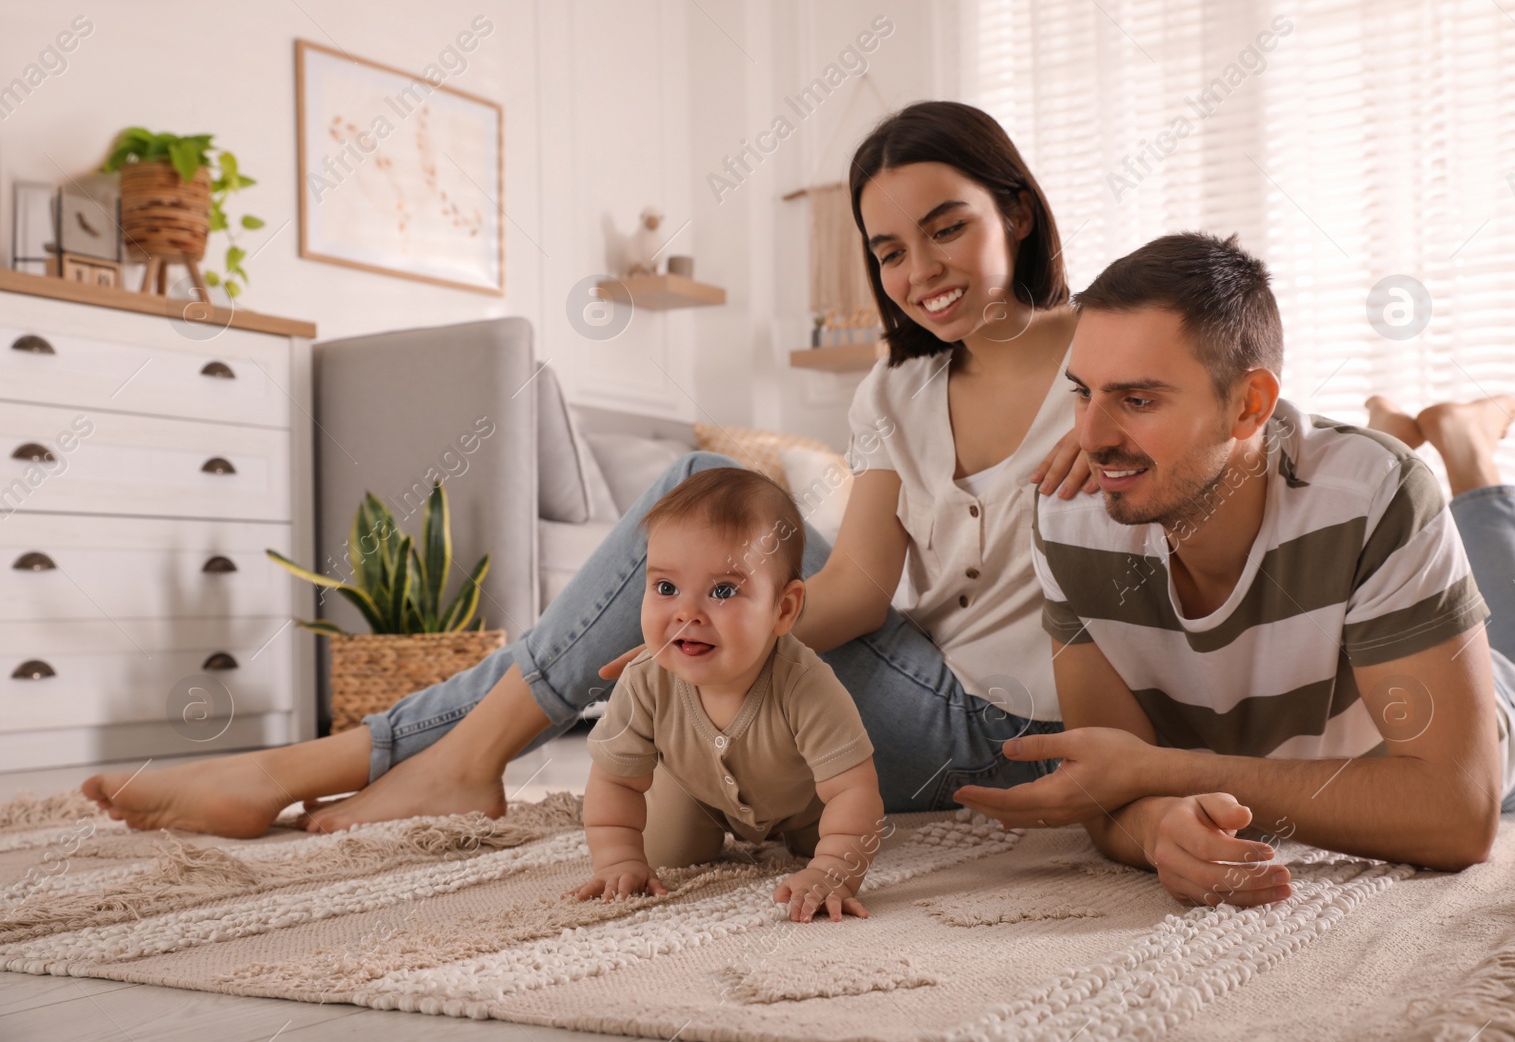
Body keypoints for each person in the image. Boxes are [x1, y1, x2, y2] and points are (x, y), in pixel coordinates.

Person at [80, 100, 1099, 838]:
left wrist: (705, 621)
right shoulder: (896, 392)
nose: (917, 272)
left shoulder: (1114, 356)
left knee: (685, 494)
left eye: (945, 227)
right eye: (886, 251)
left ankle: (405, 762)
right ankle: (371, 761)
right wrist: (702, 625)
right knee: (694, 519)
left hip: (1005, 732)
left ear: (1012, 209)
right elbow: (862, 590)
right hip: (914, 682)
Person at [955, 231, 1515, 908]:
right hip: (1369, 598)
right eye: (1083, 392)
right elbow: (1111, 780)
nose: (1090, 438)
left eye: (1138, 399)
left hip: (1494, 719)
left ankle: (1468, 448)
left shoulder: (1379, 492)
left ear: (1249, 405)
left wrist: (1163, 771)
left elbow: (1459, 812)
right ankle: (1394, 424)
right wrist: (1156, 826)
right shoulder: (1072, 512)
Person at [567, 468, 883, 923]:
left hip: (803, 801)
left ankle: (813, 847)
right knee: (669, 851)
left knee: (834, 840)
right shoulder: (645, 678)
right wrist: (617, 859)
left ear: (784, 608)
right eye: (666, 587)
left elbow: (854, 789)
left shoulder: (805, 683)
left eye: (723, 591)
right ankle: (678, 827)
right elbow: (615, 781)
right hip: (693, 794)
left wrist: (834, 869)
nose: (686, 612)